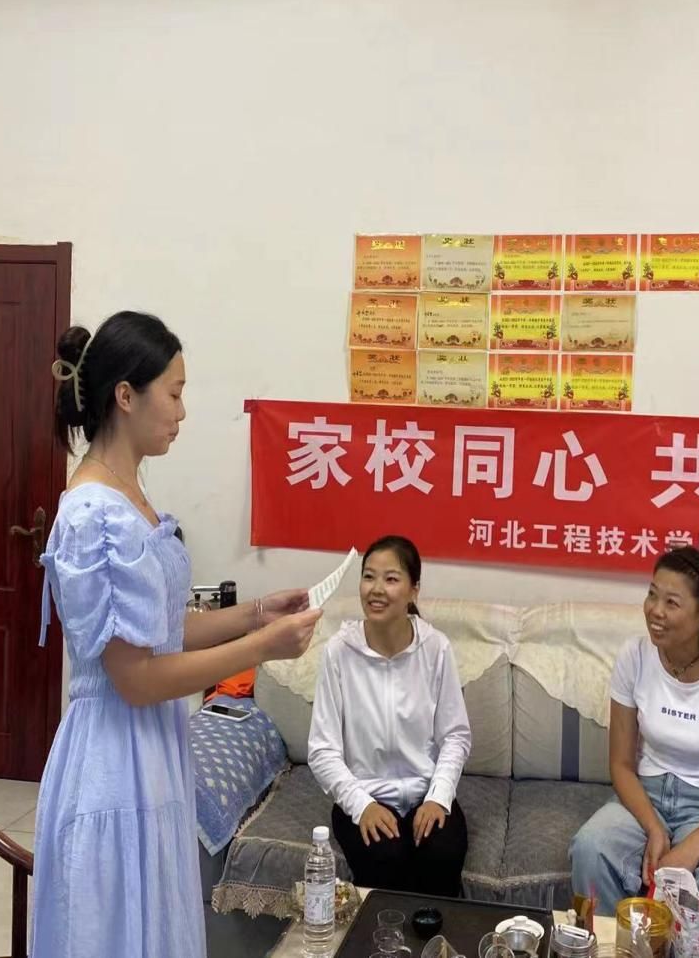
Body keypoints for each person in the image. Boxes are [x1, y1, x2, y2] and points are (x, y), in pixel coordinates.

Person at [31, 311, 322, 958]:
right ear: (125, 396)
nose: (182, 412)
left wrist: (256, 614)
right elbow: (135, 679)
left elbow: (161, 633)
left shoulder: (131, 497)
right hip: (113, 761)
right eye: (174, 392)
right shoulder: (91, 515)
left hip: (153, 754)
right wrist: (261, 649)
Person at [569, 546, 699, 931]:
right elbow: (621, 764)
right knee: (590, 848)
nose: (655, 611)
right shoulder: (635, 656)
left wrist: (688, 850)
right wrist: (655, 828)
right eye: (652, 595)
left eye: (671, 603)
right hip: (646, 794)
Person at [307, 536, 472, 897]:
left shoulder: (435, 648)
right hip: (365, 795)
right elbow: (322, 751)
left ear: (414, 590)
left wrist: (438, 796)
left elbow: (455, 736)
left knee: (442, 854)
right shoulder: (339, 652)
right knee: (386, 858)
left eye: (391, 579)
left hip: (425, 792)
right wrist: (361, 805)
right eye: (368, 577)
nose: (376, 589)